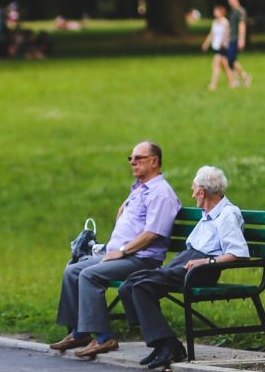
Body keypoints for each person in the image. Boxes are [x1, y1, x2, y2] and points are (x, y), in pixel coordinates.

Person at [51, 141, 182, 358]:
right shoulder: (141, 189)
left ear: (154, 161)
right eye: (130, 158)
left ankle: (104, 338)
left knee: (89, 275)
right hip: (121, 254)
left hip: (140, 259)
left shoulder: (161, 193)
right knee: (72, 270)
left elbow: (153, 234)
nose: (132, 162)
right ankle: (80, 331)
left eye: (138, 158)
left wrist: (121, 251)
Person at [118, 166, 249, 369]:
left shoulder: (227, 214)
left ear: (202, 192)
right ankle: (162, 342)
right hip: (187, 262)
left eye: (193, 188)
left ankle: (168, 345)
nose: (192, 192)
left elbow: (239, 253)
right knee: (130, 284)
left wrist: (207, 262)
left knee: (142, 286)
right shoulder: (209, 213)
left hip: (201, 269)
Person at [200, 5, 236, 91]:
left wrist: (223, 42)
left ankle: (213, 84)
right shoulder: (215, 22)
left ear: (221, 12)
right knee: (225, 66)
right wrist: (206, 43)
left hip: (222, 47)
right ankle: (232, 82)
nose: (214, 12)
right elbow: (212, 34)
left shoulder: (225, 22)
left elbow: (227, 33)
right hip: (216, 46)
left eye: (216, 11)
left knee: (215, 66)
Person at [226, 0, 252, 87]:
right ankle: (236, 81)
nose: (230, 2)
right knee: (233, 60)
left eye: (232, 0)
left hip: (236, 38)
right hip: (231, 38)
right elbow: (230, 27)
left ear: (237, 0)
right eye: (229, 0)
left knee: (231, 60)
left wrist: (241, 39)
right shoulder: (232, 12)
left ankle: (245, 76)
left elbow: (242, 25)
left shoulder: (240, 11)